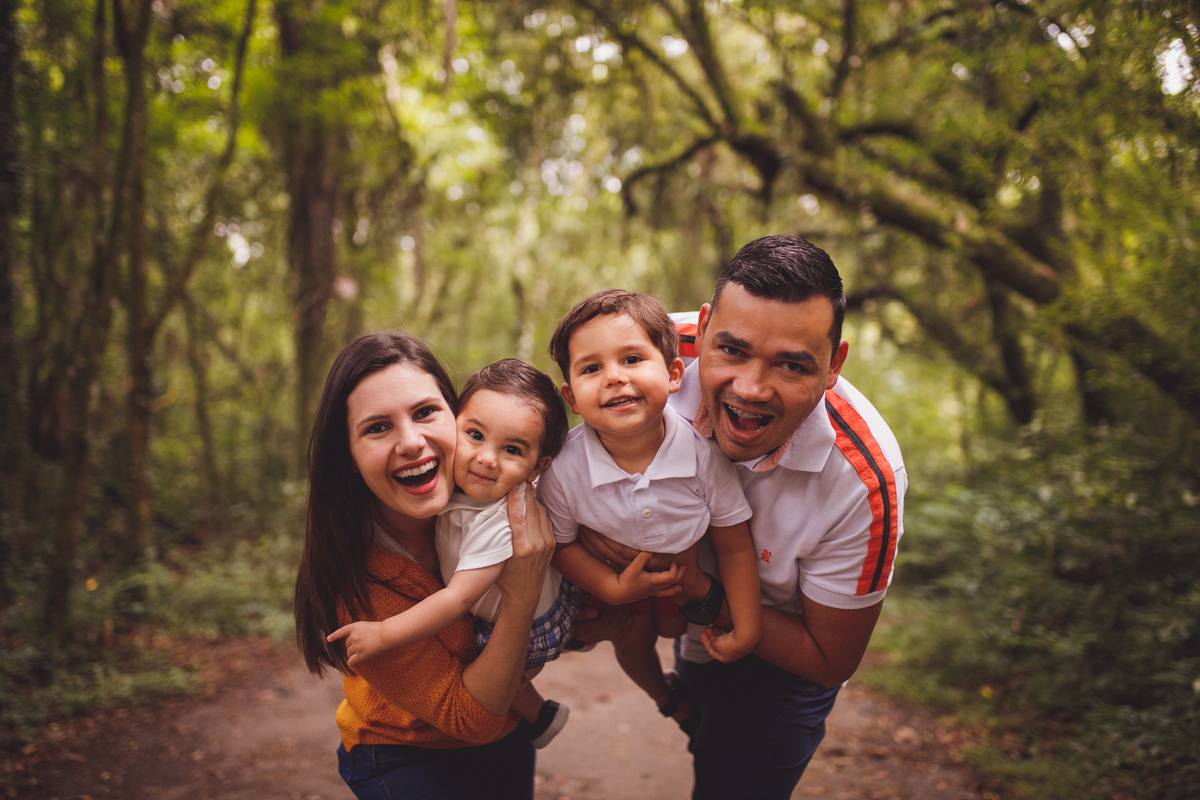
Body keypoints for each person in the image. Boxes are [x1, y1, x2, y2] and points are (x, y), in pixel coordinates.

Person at [579, 235, 907, 800]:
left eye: (791, 364)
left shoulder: (864, 482)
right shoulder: (640, 355)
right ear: (702, 329)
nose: (751, 389)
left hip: (783, 659)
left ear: (834, 365)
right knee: (708, 731)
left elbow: (829, 658)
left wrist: (697, 587)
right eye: (731, 351)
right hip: (692, 631)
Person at [293, 332, 557, 800]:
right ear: (349, 455)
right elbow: (470, 718)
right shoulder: (355, 582)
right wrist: (521, 597)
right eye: (378, 427)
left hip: (506, 736)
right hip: (403, 753)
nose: (412, 442)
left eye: (424, 412)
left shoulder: (489, 496)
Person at [536, 289, 763, 733]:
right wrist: (614, 587)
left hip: (687, 574)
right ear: (571, 397)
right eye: (591, 368)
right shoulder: (563, 470)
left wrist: (748, 629)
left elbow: (734, 547)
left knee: (680, 631)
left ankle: (697, 691)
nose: (614, 377)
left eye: (632, 359)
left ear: (675, 374)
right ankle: (666, 697)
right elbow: (561, 545)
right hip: (615, 583)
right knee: (632, 641)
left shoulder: (703, 456)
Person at [326, 359, 576, 749]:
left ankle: (538, 713)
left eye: (511, 449)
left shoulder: (499, 519)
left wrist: (383, 633)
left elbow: (458, 598)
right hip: (403, 751)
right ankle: (542, 716)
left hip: (530, 628)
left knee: (497, 667)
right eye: (475, 435)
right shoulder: (363, 569)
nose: (487, 458)